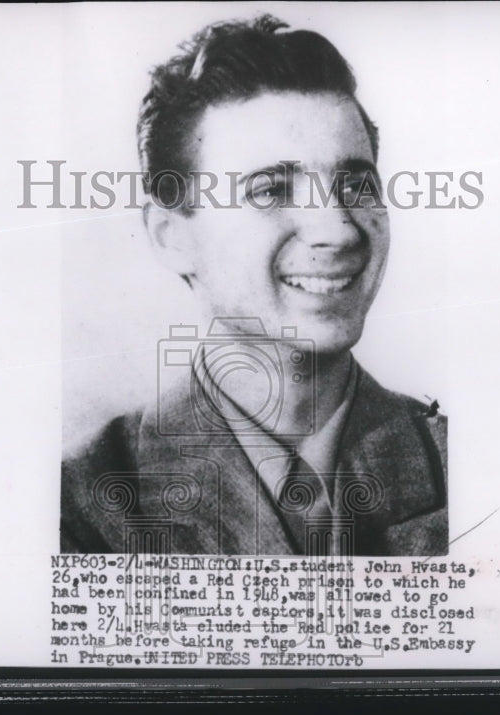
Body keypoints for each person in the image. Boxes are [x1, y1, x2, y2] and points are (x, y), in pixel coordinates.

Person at [61, 15, 446, 556]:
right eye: (271, 190)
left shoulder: (469, 466)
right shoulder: (79, 509)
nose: (337, 228)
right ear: (172, 236)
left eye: (356, 184)